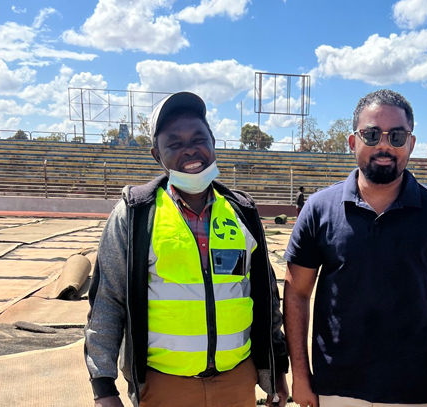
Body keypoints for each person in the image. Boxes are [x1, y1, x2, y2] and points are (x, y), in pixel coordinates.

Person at [85, 92, 289, 407]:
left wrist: (276, 370)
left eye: (198, 139)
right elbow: (107, 301)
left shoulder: (242, 212)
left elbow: (266, 298)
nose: (190, 150)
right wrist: (103, 387)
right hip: (165, 386)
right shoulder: (136, 214)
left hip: (236, 381)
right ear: (157, 154)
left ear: (213, 142)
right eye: (175, 143)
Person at [283, 89, 427, 407]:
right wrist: (301, 376)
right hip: (335, 391)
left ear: (411, 144)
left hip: (415, 392)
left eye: (396, 136)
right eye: (372, 135)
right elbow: (296, 293)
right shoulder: (319, 209)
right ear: (353, 142)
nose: (384, 145)